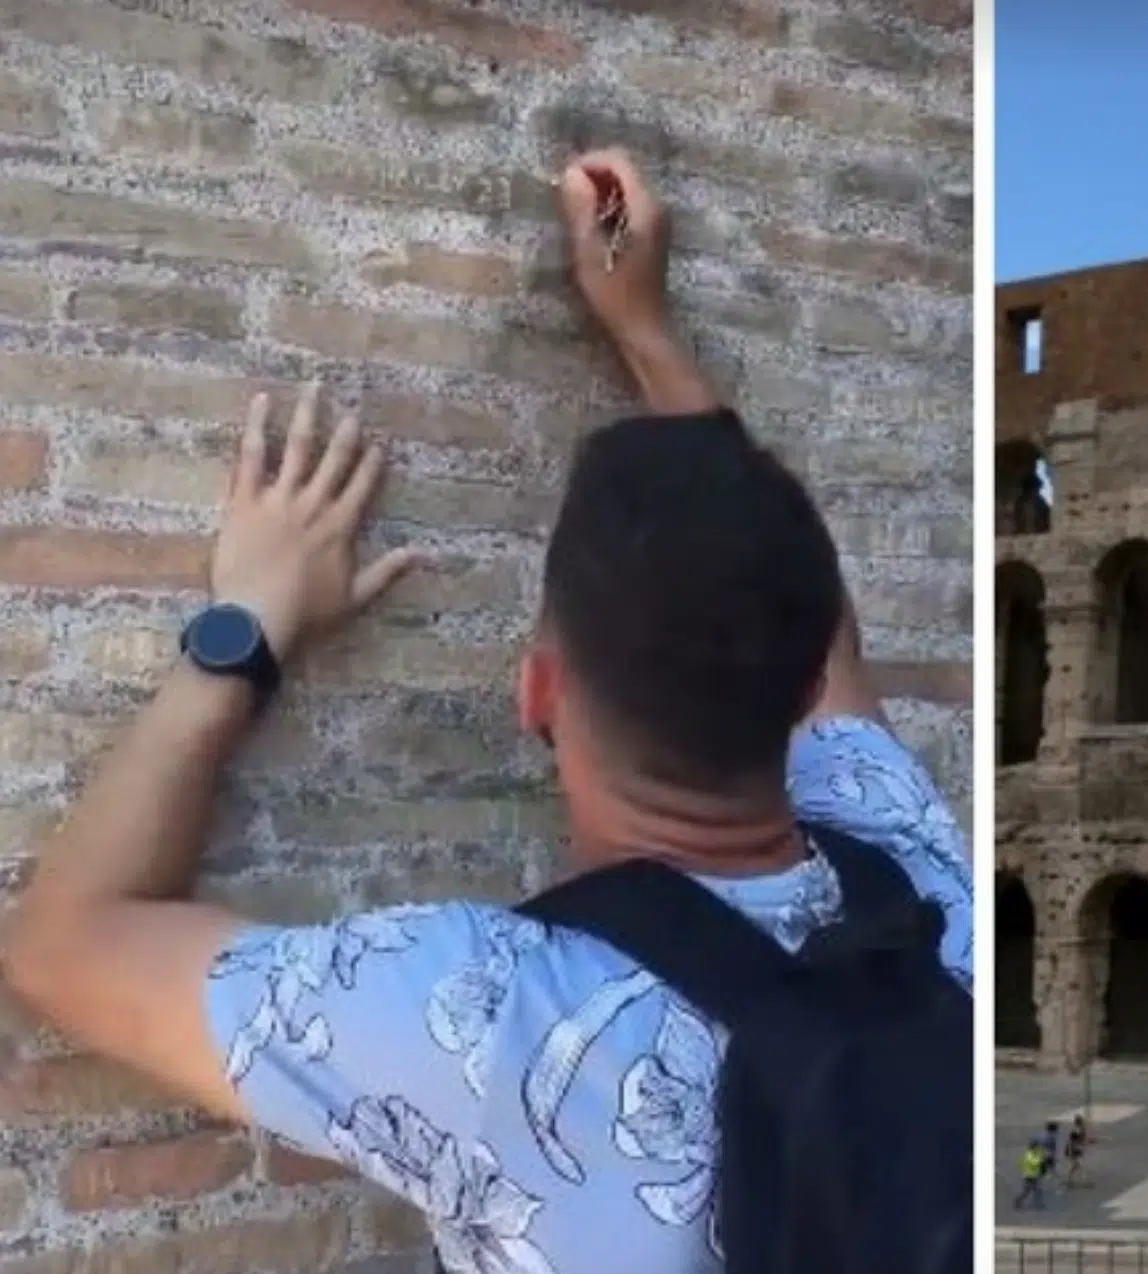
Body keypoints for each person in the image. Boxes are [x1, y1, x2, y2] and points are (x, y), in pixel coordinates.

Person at [0, 150, 973, 1274]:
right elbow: (828, 627)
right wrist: (650, 333)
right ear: (805, 691)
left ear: (537, 691)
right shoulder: (920, 869)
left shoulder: (481, 1017)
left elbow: (60, 939)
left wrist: (249, 625)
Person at [1013, 1140, 1048, 1210]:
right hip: (1029, 1176)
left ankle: (1038, 1204)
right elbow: (1034, 1162)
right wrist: (1041, 1159)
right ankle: (1017, 1201)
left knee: (1037, 1190)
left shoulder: (1035, 1152)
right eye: (1037, 1146)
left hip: (1034, 1175)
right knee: (1026, 1191)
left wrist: (1043, 1154)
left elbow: (1040, 1154)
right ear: (1033, 1147)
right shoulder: (1029, 1154)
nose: (1038, 1147)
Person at [1065, 1113, 1089, 1187]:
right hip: (1074, 1150)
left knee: (1075, 1166)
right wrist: (1070, 1152)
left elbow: (1082, 1140)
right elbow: (1071, 1142)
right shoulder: (1076, 1131)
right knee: (1080, 1165)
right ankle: (1084, 1181)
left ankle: (1069, 1180)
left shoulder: (1080, 1129)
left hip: (1076, 1150)